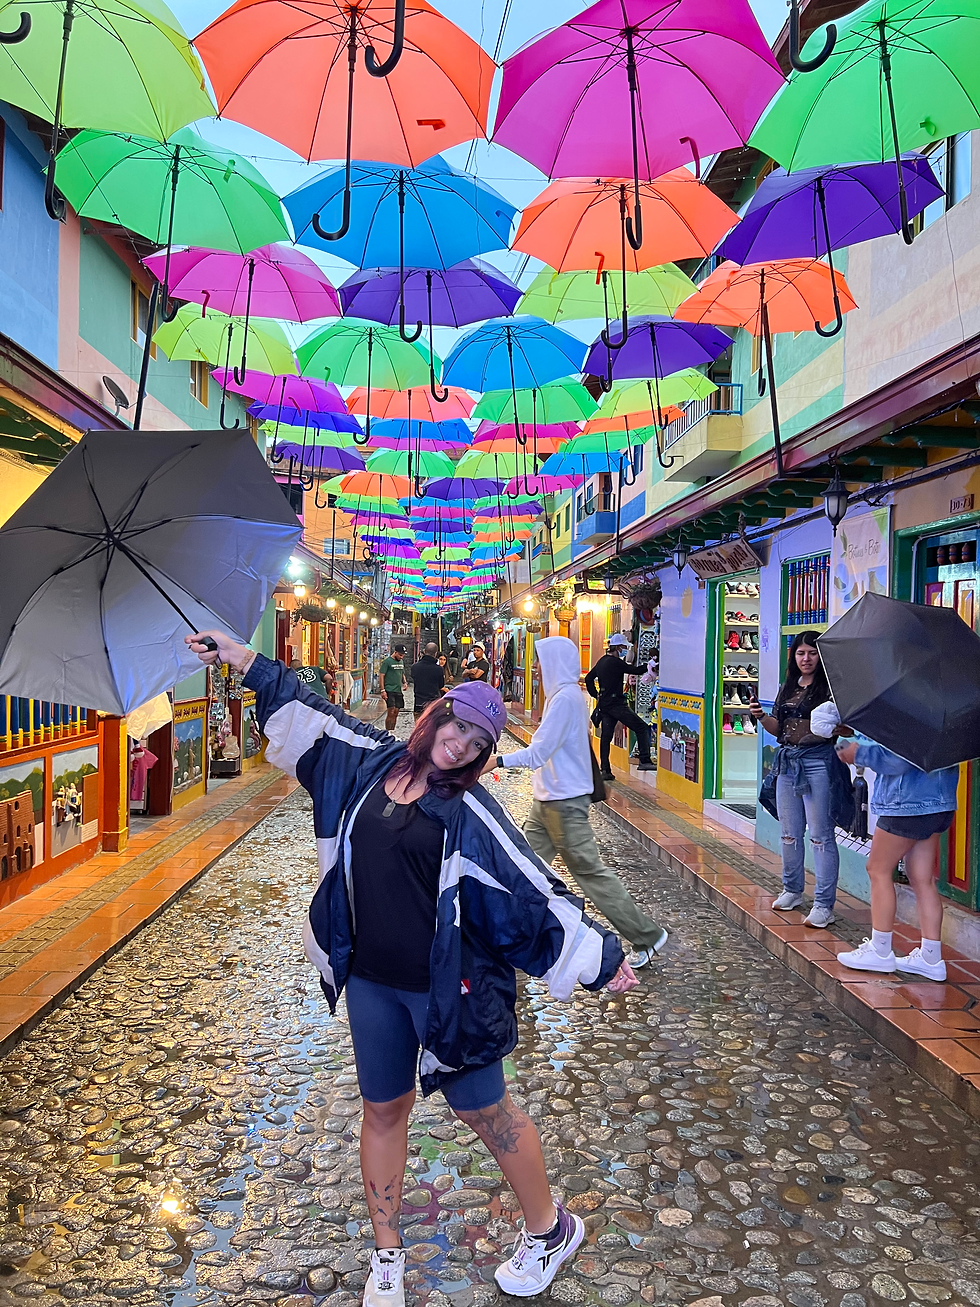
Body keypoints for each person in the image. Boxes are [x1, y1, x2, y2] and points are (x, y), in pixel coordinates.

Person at [186, 630, 637, 1307]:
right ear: (436, 715)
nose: (460, 743)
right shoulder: (368, 761)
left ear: (484, 754)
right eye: (456, 724)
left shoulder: (471, 809)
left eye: (477, 741)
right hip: (369, 980)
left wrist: (600, 955)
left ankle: (551, 1229)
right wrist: (243, 659)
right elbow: (310, 712)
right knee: (382, 1107)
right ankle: (387, 1254)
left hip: (447, 991)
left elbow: (528, 885)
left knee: (485, 1109)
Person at [498, 637, 668, 970]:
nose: (536, 667)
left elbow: (538, 753)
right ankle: (506, 935)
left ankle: (647, 936)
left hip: (564, 803)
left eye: (541, 662)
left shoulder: (565, 699)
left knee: (590, 872)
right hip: (547, 801)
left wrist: (495, 761)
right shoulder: (561, 697)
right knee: (523, 866)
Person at [833, 732, 958, 981]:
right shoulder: (943, 710)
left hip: (906, 801)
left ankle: (880, 949)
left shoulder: (909, 708)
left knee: (878, 869)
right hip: (939, 802)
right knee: (922, 878)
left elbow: (896, 758)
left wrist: (855, 752)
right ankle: (931, 957)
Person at [748, 630, 852, 929]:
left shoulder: (832, 688)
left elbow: (847, 729)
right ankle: (792, 890)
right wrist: (759, 716)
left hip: (819, 762)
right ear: (793, 657)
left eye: (812, 652)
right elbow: (777, 727)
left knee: (821, 836)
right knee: (789, 833)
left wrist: (834, 729)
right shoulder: (788, 686)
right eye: (801, 653)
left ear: (822, 656)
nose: (806, 659)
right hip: (787, 763)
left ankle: (823, 905)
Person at [585, 633, 655, 780]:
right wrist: (650, 665)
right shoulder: (615, 662)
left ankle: (605, 770)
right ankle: (645, 760)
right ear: (617, 647)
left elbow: (588, 678)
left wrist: (595, 694)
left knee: (606, 737)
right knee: (641, 728)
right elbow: (634, 671)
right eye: (623, 647)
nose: (625, 650)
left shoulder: (602, 661)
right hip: (616, 705)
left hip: (604, 705)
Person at [411, 643, 445, 720]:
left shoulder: (415, 667)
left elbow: (413, 677)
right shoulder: (439, 669)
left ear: (424, 651)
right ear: (436, 653)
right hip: (433, 702)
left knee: (419, 726)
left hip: (419, 702)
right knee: (432, 726)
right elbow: (441, 685)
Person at [378, 645, 409, 732]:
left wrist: (405, 682)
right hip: (389, 689)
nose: (401, 657)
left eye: (403, 655)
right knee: (391, 710)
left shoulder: (401, 662)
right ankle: (388, 731)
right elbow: (381, 675)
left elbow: (402, 673)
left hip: (398, 689)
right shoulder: (387, 662)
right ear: (395, 652)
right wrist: (382, 690)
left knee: (396, 712)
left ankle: (392, 730)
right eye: (400, 655)